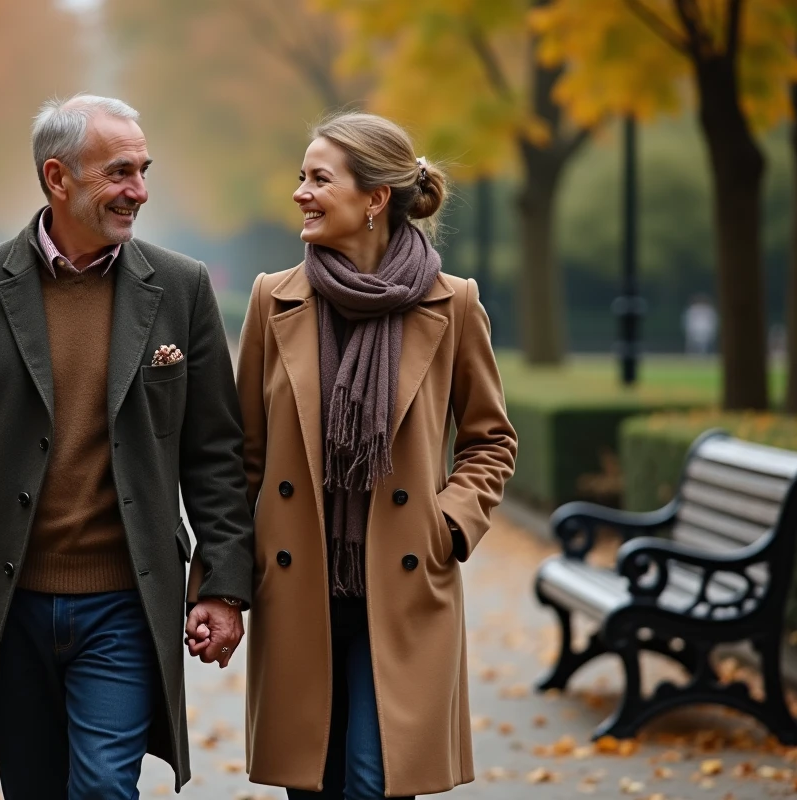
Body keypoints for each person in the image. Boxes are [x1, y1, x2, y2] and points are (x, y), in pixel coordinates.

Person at [0, 94, 254, 799]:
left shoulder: (182, 288)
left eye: (143, 171)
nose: (138, 191)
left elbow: (214, 454)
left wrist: (225, 583)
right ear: (57, 178)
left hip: (126, 604)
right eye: (120, 173)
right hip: (6, 604)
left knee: (105, 788)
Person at [234, 112, 517, 798]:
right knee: (312, 781)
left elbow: (490, 440)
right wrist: (219, 581)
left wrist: (447, 526)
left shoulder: (453, 304)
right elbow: (243, 456)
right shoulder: (273, 299)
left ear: (374, 198)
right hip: (299, 584)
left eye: (319, 179)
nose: (300, 192)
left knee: (374, 780)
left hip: (404, 584)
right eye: (301, 177)